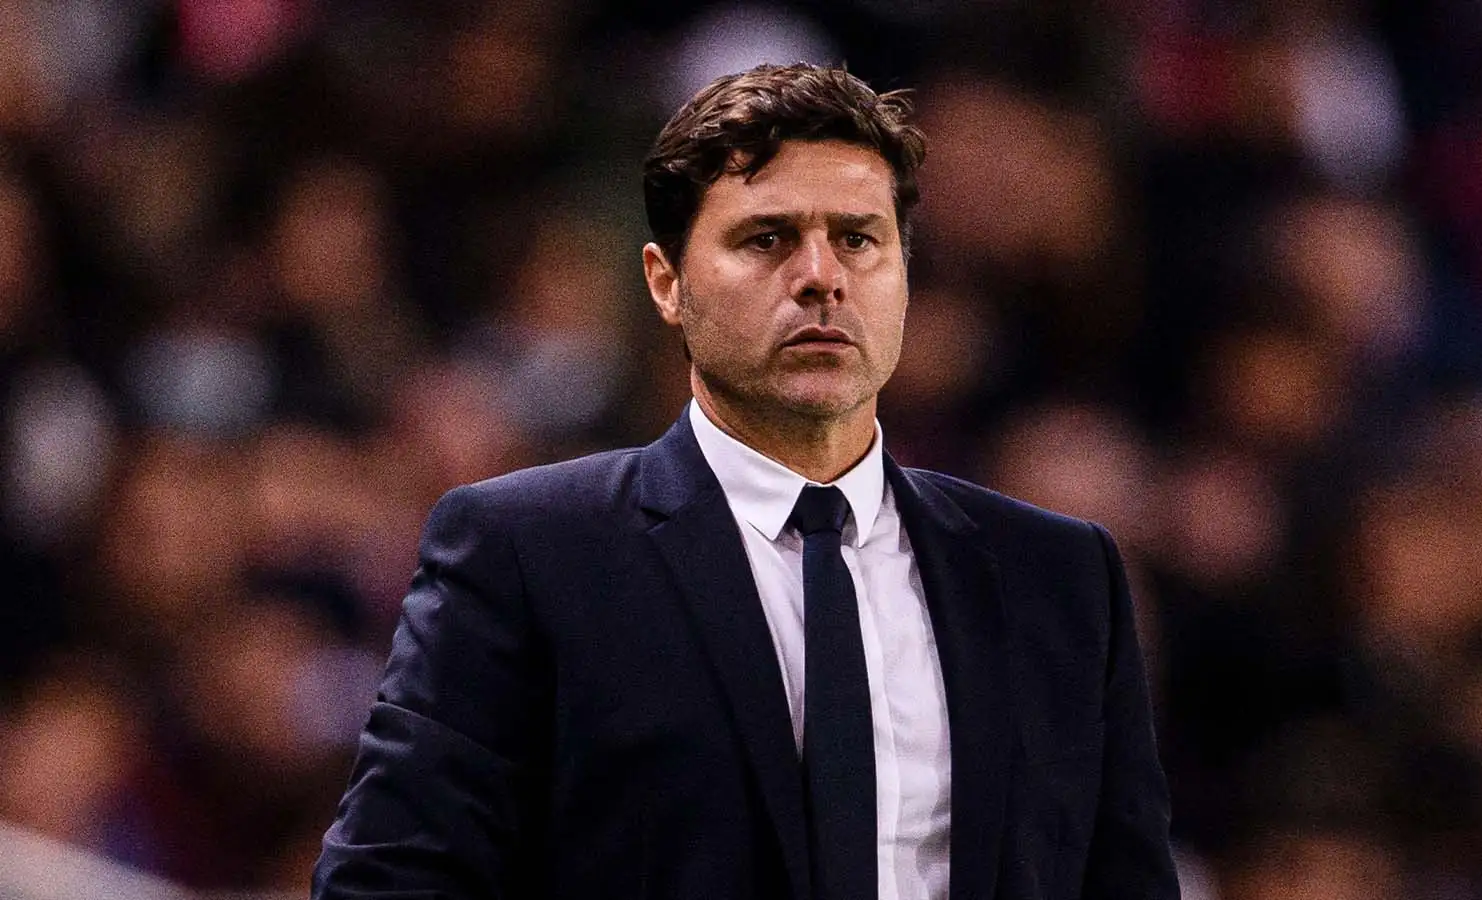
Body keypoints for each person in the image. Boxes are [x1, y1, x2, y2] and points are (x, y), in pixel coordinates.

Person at [312, 63, 1178, 900]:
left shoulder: (1059, 579)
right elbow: (392, 881)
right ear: (667, 283)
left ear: (904, 278)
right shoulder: (527, 555)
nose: (819, 276)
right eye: (766, 238)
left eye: (858, 239)